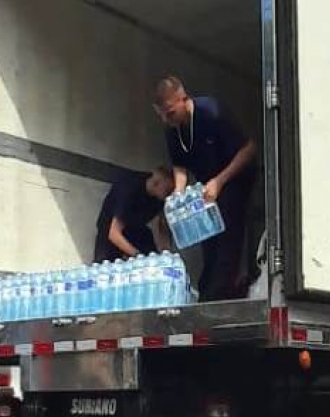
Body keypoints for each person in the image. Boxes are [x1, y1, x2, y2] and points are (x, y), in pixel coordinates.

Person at [153, 75, 257, 301]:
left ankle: (219, 296)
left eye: (170, 113)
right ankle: (207, 293)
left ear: (183, 98)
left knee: (227, 235)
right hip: (206, 184)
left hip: (233, 176)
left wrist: (219, 182)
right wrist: (179, 193)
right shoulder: (172, 128)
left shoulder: (211, 112)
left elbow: (248, 149)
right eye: (162, 115)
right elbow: (180, 165)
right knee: (207, 236)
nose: (167, 119)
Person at [94, 166, 175, 262]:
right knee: (104, 265)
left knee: (153, 260)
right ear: (156, 182)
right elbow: (113, 233)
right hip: (110, 229)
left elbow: (163, 224)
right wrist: (138, 256)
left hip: (135, 228)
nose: (170, 195)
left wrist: (166, 251)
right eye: (168, 191)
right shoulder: (129, 190)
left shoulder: (161, 198)